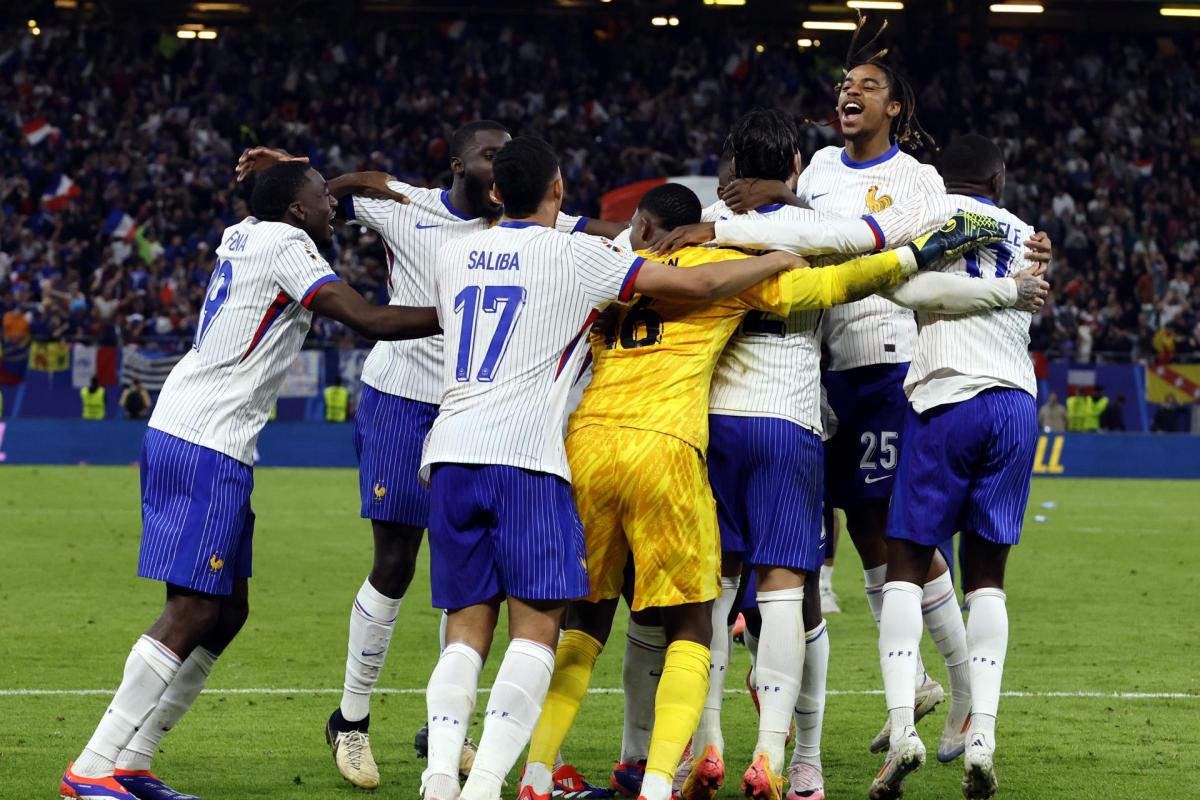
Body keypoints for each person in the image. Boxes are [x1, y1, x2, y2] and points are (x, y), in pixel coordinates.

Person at [416, 134, 847, 800]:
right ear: (558, 192)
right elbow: (698, 280)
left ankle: (442, 777)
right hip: (530, 457)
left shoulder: (451, 255)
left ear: (496, 192)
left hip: (447, 453)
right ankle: (491, 787)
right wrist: (776, 256)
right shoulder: (576, 254)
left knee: (465, 631)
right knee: (538, 632)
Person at [653, 107, 1045, 800]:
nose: (850, 93)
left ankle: (706, 747)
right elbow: (854, 244)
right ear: (798, 162)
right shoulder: (817, 208)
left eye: (867, 83)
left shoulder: (725, 221)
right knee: (818, 571)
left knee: (806, 565)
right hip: (814, 400)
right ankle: (806, 750)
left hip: (817, 390)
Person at [238, 123, 625, 793]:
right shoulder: (402, 204)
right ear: (458, 166)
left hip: (478, 418)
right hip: (401, 400)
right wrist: (294, 169)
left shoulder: (535, 222)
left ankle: (447, 731)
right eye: (486, 152)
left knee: (479, 582)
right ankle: (351, 721)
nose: (498, 161)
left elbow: (613, 229)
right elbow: (315, 199)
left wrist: (699, 220)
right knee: (394, 564)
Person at [59, 161, 441, 800]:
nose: (331, 207)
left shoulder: (245, 231)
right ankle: (92, 768)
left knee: (227, 610)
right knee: (191, 608)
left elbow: (291, 194)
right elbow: (368, 319)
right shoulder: (290, 246)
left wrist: (331, 181)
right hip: (204, 439)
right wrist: (466, 314)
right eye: (322, 198)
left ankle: (134, 761)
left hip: (202, 434)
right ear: (297, 212)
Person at [870, 134, 1044, 800]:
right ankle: (982, 739)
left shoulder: (926, 219)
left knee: (905, 565)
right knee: (990, 579)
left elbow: (903, 290)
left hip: (946, 395)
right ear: (999, 181)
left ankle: (902, 731)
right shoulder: (1028, 235)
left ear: (942, 179)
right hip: (1014, 406)